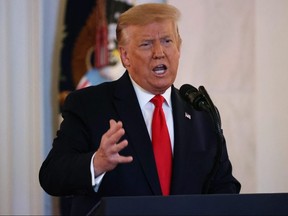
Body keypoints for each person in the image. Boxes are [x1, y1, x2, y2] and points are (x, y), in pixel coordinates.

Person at [39, 3, 241, 215]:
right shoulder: (89, 105)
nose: (159, 52)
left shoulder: (201, 113)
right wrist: (96, 163)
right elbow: (51, 176)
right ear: (125, 56)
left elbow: (224, 187)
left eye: (167, 41)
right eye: (146, 44)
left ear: (179, 48)